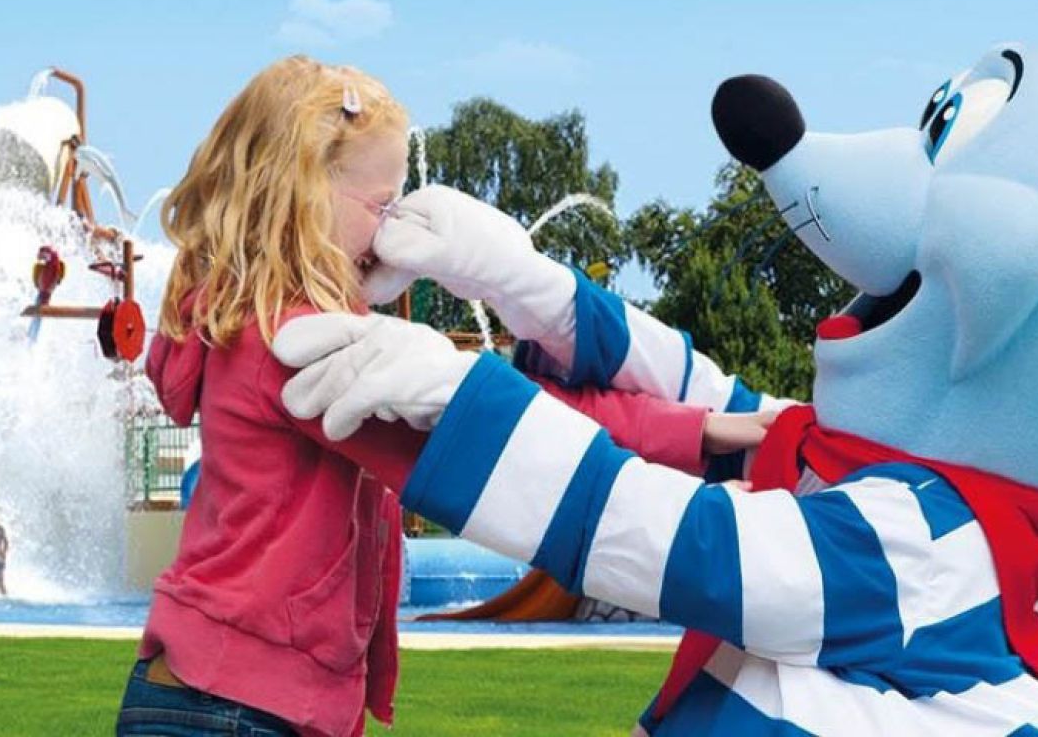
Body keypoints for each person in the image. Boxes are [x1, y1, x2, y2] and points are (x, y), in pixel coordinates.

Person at [117, 56, 762, 737]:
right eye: (380, 205)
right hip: (236, 705)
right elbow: (493, 435)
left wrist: (695, 431)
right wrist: (694, 480)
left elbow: (500, 405)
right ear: (302, 192)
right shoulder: (292, 344)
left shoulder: (268, 325)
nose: (393, 229)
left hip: (228, 693)